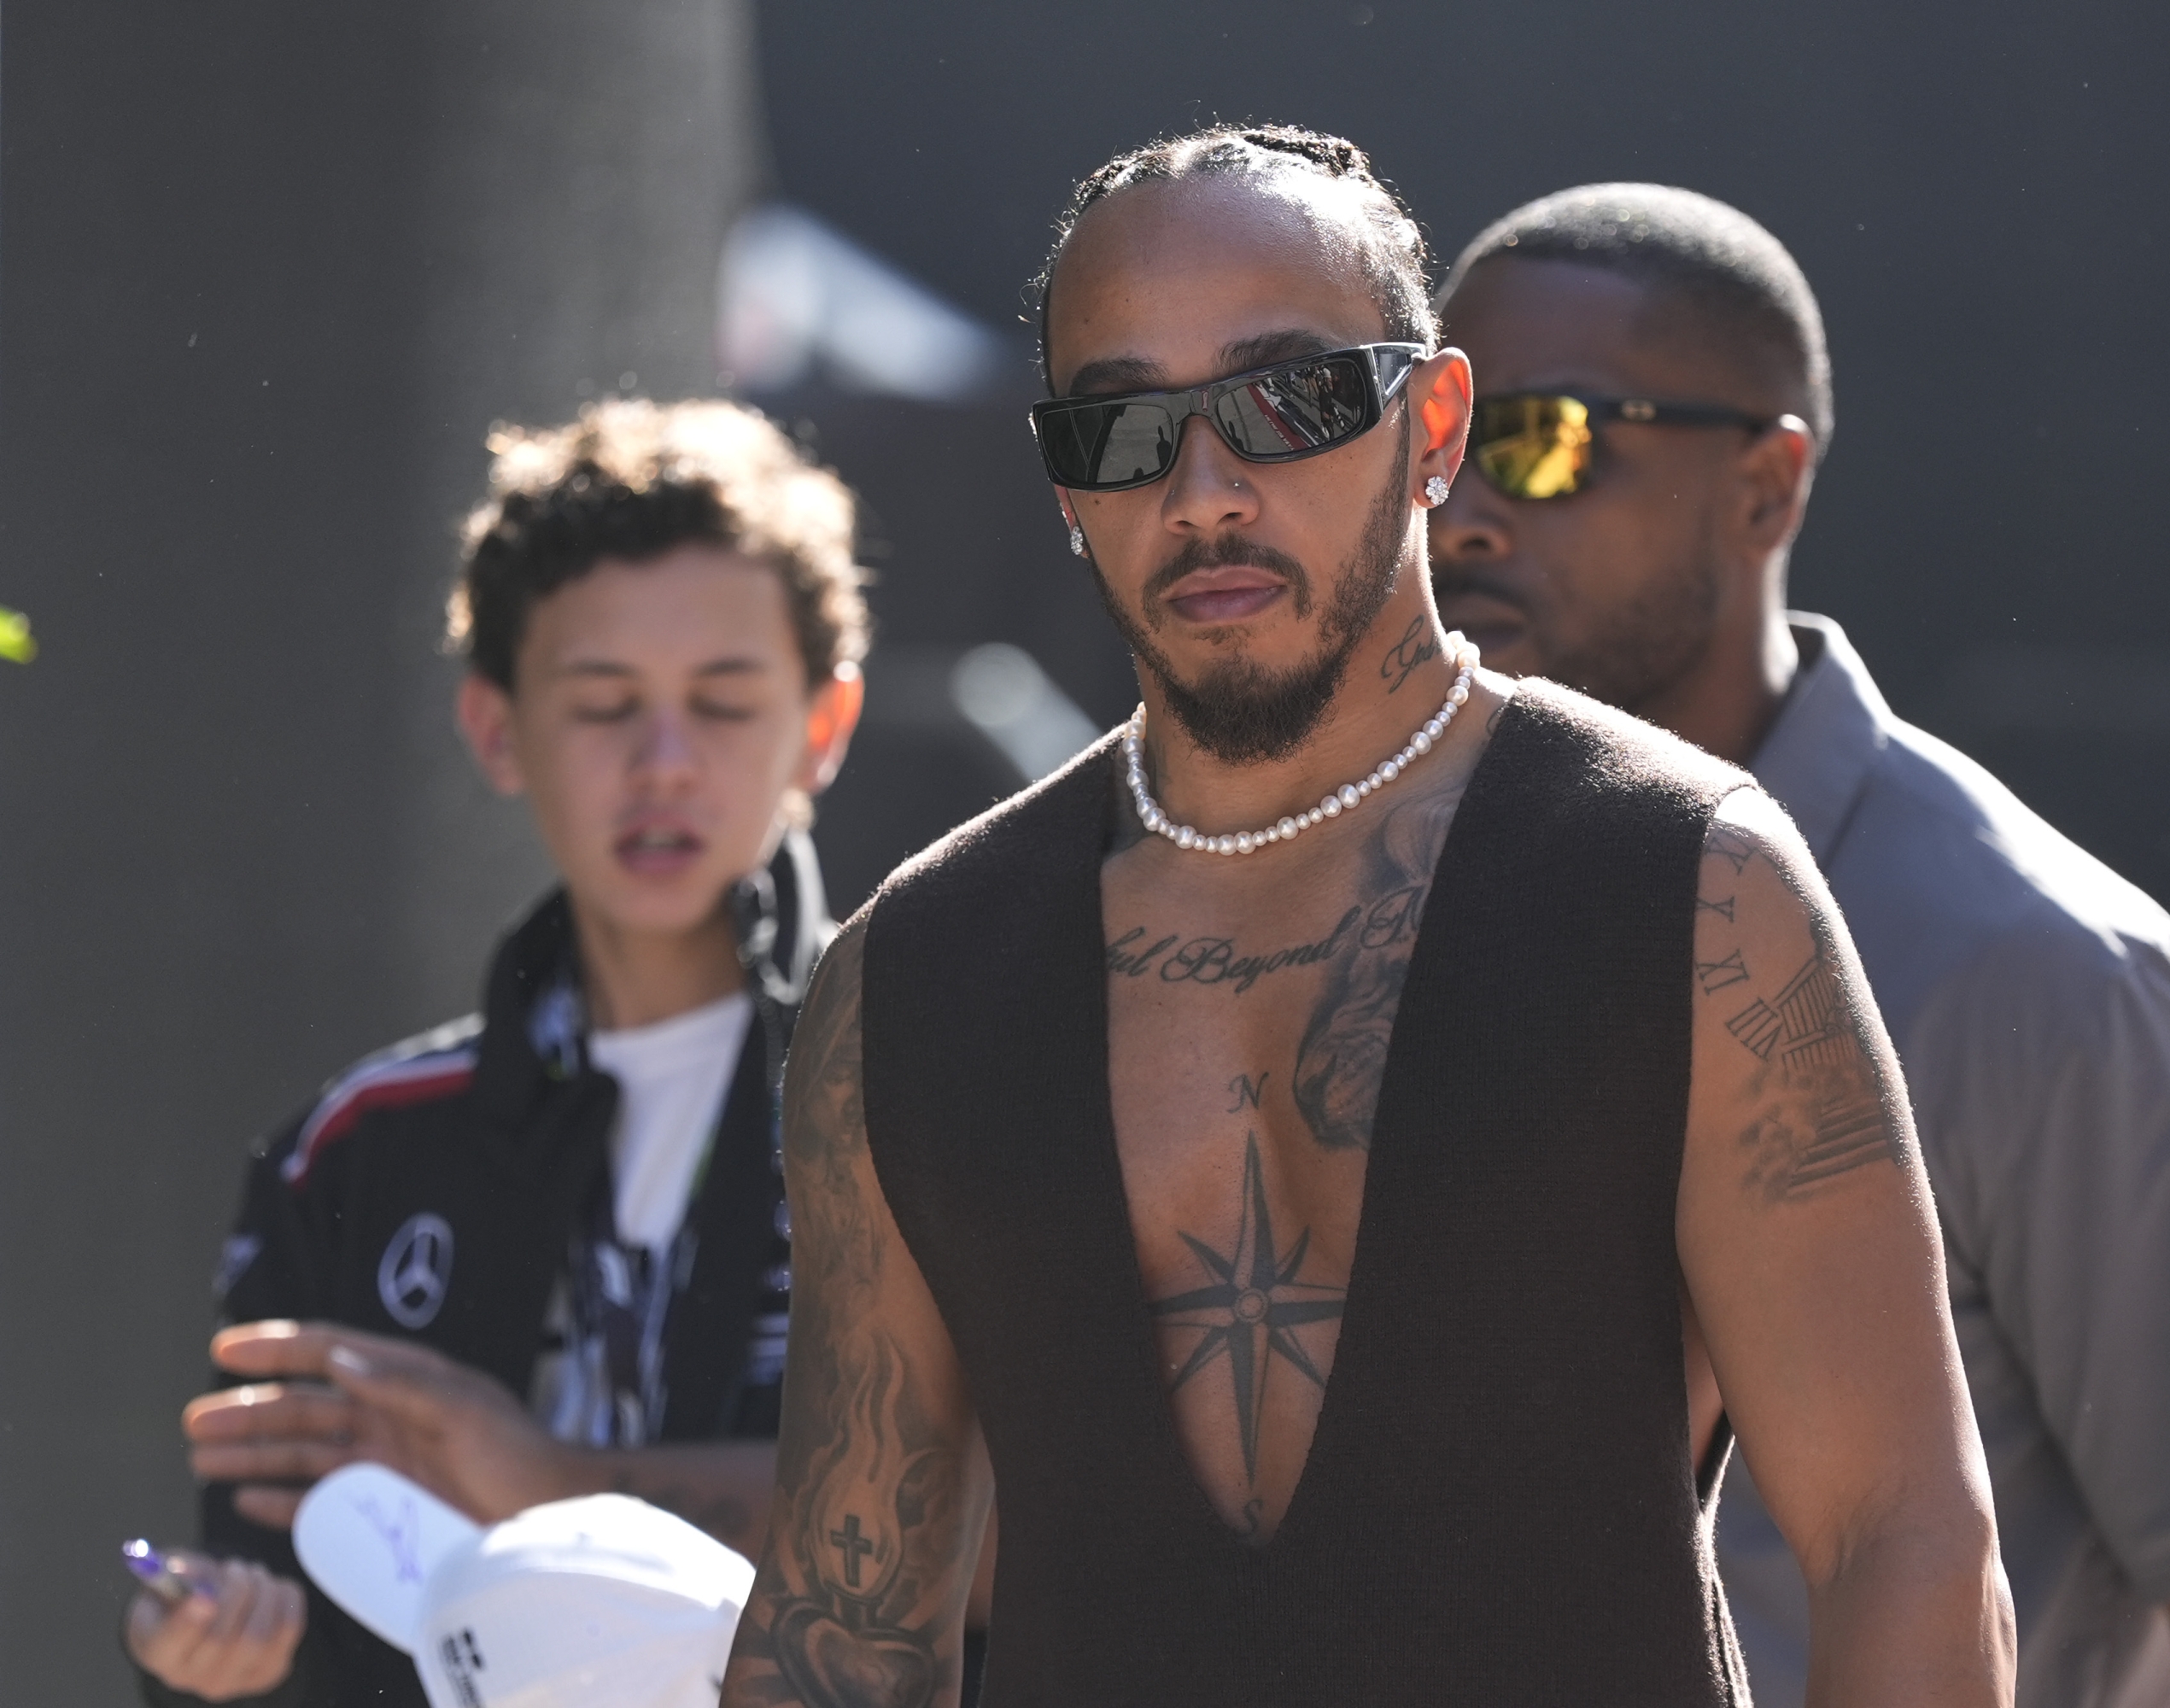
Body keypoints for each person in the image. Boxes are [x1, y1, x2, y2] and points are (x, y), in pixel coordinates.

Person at [722, 125, 2012, 1708]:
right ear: (1065, 480)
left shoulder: (1689, 881)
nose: (1206, 491)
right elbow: (837, 1632)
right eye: (1125, 425)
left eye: (1292, 399)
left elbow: (1903, 1534)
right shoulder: (913, 976)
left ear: (1435, 425)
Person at [1429, 182, 2170, 1708]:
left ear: (1769, 486)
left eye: (1547, 439)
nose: (1470, 511)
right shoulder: (1405, 899)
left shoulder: (2040, 975)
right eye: (1436, 442)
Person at [127, 398, 870, 1707]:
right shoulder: (351, 1151)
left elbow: (1022, 1536)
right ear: (493, 727)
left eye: (723, 700)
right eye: (601, 705)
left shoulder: (925, 1099)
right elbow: (289, 1610)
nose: (663, 764)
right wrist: (207, 1663)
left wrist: (542, 1482)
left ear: (824, 724)